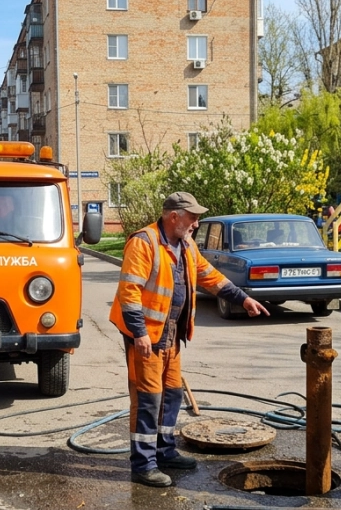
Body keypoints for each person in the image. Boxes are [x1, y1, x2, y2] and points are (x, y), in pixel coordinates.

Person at [109, 192, 269, 488]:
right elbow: (129, 293)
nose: (197, 223)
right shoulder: (144, 243)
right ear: (174, 217)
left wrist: (243, 299)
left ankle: (164, 451)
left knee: (171, 395)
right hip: (147, 336)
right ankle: (143, 465)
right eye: (193, 217)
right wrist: (139, 333)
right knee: (147, 400)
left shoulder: (185, 245)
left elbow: (211, 277)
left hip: (171, 335)